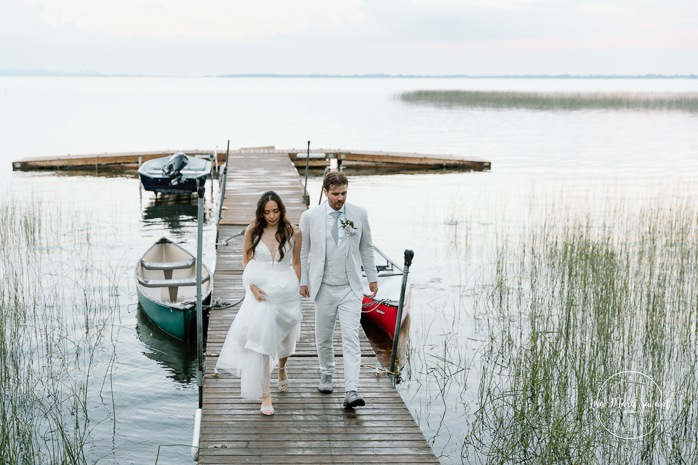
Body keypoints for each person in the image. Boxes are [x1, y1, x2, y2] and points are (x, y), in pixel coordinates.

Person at [216, 191, 303, 416]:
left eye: (275, 211)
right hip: (262, 291)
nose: (271, 216)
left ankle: (282, 368)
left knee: (286, 335)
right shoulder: (253, 230)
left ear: (281, 210)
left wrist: (297, 287)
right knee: (262, 342)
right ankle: (265, 394)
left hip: (286, 290)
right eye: (267, 212)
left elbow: (296, 262)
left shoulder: (294, 232)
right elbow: (247, 260)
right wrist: (252, 287)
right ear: (261, 212)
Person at [300, 171, 378, 408]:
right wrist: (304, 280)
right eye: (335, 194)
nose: (340, 198)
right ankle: (326, 373)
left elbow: (367, 248)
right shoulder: (310, 216)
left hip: (350, 287)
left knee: (351, 337)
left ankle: (352, 390)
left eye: (344, 193)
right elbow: (304, 251)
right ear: (325, 192)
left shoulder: (359, 214)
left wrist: (372, 277)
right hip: (323, 286)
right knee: (323, 337)